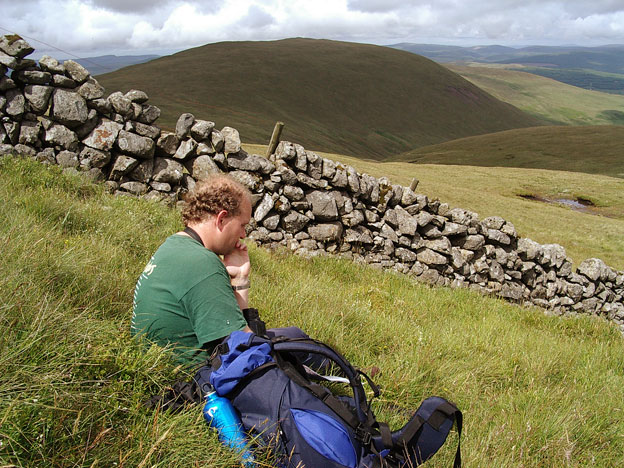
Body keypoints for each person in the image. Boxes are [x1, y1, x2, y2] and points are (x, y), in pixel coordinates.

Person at [131, 174, 313, 367]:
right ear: (222, 219)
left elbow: (234, 328)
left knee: (294, 336)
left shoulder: (174, 245)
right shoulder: (202, 263)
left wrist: (240, 278)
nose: (243, 235)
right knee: (303, 348)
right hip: (198, 377)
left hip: (162, 362)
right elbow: (245, 347)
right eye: (242, 225)